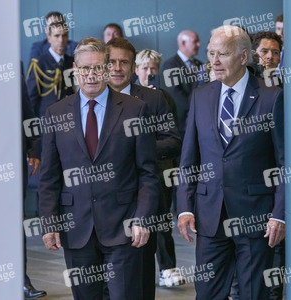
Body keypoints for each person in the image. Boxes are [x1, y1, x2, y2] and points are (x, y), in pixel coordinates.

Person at [38, 37, 160, 300]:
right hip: (76, 228)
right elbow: (49, 177)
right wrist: (49, 222)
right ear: (75, 69)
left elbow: (148, 173)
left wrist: (143, 217)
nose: (91, 74)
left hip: (124, 227)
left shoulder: (135, 110)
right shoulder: (55, 113)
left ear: (106, 69)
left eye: (97, 68)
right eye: (85, 68)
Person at [176, 25, 285, 300]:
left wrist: (279, 213)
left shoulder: (271, 97)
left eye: (222, 54)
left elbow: (285, 163)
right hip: (209, 215)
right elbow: (189, 159)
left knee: (252, 293)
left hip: (255, 216)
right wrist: (184, 208)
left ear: (243, 56)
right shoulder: (201, 96)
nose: (214, 60)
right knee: (207, 293)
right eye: (211, 53)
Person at [106, 38, 182, 299]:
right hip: (101, 203)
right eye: (111, 62)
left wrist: (138, 149)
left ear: (132, 66)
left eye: (123, 62)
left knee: (140, 275)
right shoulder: (92, 98)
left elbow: (172, 140)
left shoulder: (154, 98)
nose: (117, 68)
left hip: (143, 196)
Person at [134, 49, 187, 289]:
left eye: (153, 68)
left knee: (163, 220)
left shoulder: (165, 98)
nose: (149, 73)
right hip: (132, 171)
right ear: (136, 70)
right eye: (145, 68)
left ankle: (167, 268)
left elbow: (172, 136)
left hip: (161, 168)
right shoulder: (126, 98)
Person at [21, 66, 45, 299]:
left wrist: (34, 149)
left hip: (10, 162)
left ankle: (22, 280)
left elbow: (28, 116)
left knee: (15, 222)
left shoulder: (13, 75)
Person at [27, 21, 76, 117]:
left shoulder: (72, 61)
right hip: (47, 118)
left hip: (69, 116)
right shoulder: (39, 63)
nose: (61, 40)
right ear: (49, 38)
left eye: (64, 36)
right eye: (57, 36)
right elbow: (32, 97)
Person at [161, 30, 205, 139]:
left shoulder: (200, 65)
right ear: (183, 43)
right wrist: (197, 109)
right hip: (181, 124)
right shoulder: (170, 65)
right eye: (195, 42)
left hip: (199, 123)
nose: (199, 45)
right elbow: (175, 95)